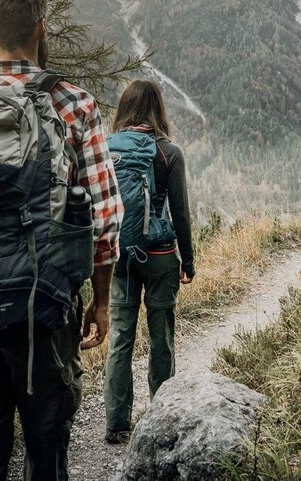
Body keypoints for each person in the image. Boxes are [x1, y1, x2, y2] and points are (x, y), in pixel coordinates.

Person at [0, 0, 122, 481]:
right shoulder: (72, 103)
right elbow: (105, 219)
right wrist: (101, 300)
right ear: (42, 29)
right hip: (44, 306)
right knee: (47, 445)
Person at [103, 79, 196, 444]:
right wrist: (188, 261)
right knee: (161, 337)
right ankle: (161, 417)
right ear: (159, 109)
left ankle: (116, 424)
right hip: (159, 257)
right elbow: (181, 214)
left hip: (119, 257)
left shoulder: (108, 150)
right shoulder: (169, 153)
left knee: (121, 340)